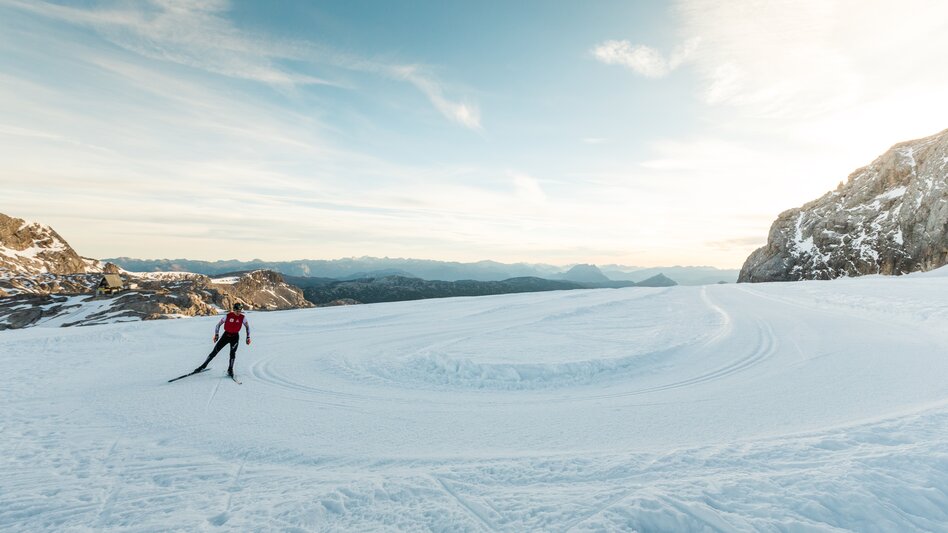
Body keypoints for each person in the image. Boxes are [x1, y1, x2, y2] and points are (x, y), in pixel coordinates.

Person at [195, 302, 251, 378]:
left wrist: (248, 337)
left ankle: (230, 369)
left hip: (235, 337)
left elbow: (247, 327)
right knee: (215, 352)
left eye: (240, 311)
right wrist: (216, 334)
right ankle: (203, 366)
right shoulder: (228, 316)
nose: (239, 313)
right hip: (226, 336)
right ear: (234, 310)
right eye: (237, 311)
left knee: (232, 354)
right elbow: (218, 325)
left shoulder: (242, 317)